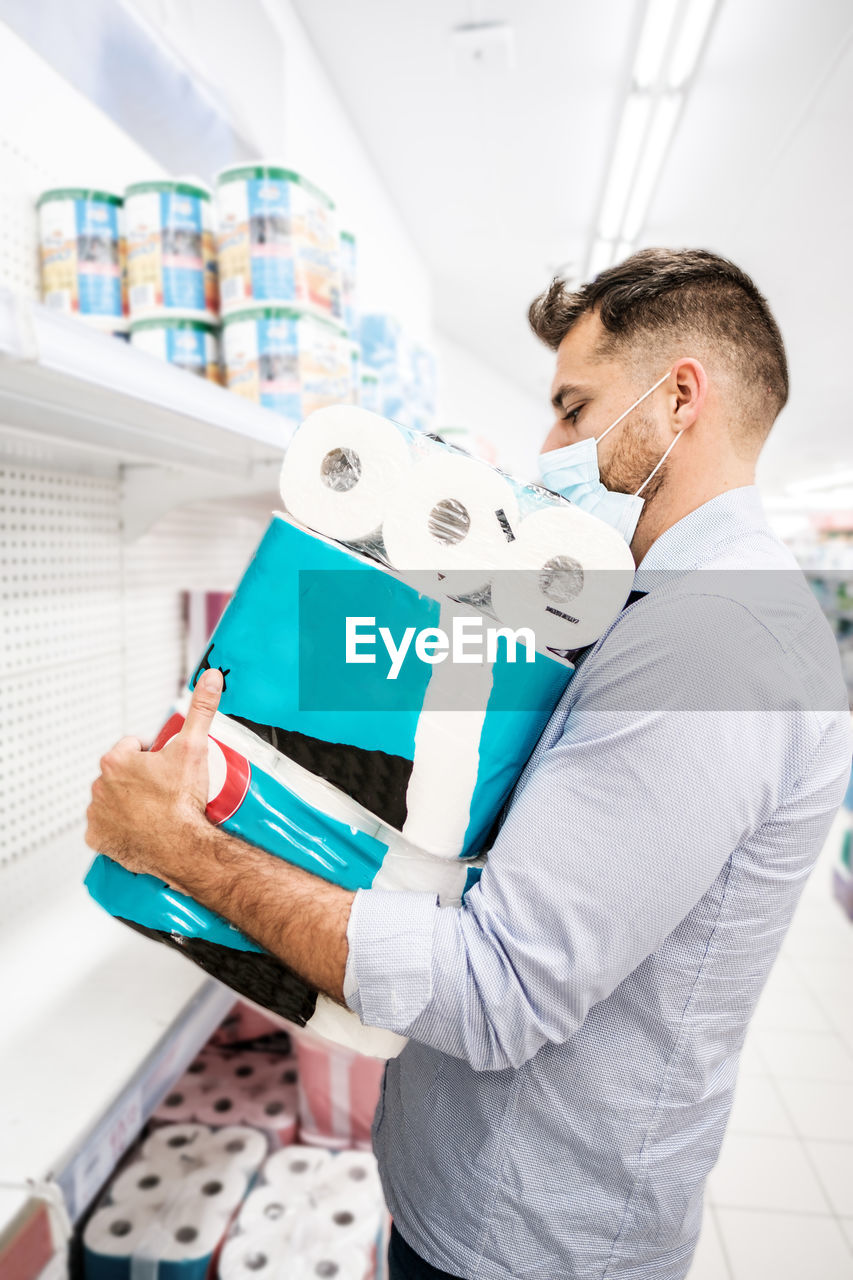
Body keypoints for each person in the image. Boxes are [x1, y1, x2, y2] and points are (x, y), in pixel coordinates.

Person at [86, 249, 852, 1280]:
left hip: (525, 1239)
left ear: (678, 399)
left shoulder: (713, 643)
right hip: (486, 1199)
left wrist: (185, 850)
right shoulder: (657, 609)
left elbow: (497, 990)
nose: (548, 450)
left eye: (573, 410)